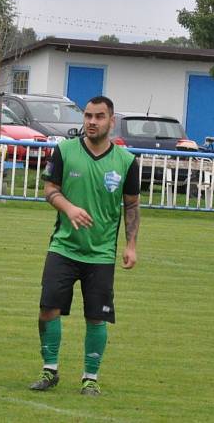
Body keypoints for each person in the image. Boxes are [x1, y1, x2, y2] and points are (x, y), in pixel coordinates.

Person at [29, 96, 140, 396]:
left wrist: (130, 245)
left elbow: (131, 206)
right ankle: (49, 371)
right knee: (47, 309)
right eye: (88, 116)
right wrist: (69, 208)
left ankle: (90, 377)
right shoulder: (65, 151)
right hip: (63, 247)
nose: (91, 122)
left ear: (111, 121)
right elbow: (50, 189)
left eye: (99, 117)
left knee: (97, 316)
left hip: (101, 253)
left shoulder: (126, 162)